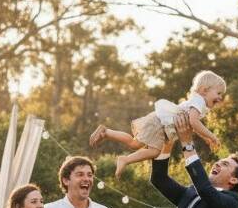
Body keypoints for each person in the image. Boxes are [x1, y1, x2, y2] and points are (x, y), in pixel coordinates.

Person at [89, 70, 225, 177]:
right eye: (218, 93)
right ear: (204, 90)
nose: (220, 97)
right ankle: (125, 159)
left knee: (134, 143)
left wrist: (206, 137)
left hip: (159, 122)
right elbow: (193, 122)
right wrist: (212, 136)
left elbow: (192, 126)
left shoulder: (198, 103)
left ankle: (106, 132)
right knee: (154, 151)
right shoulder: (199, 102)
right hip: (159, 124)